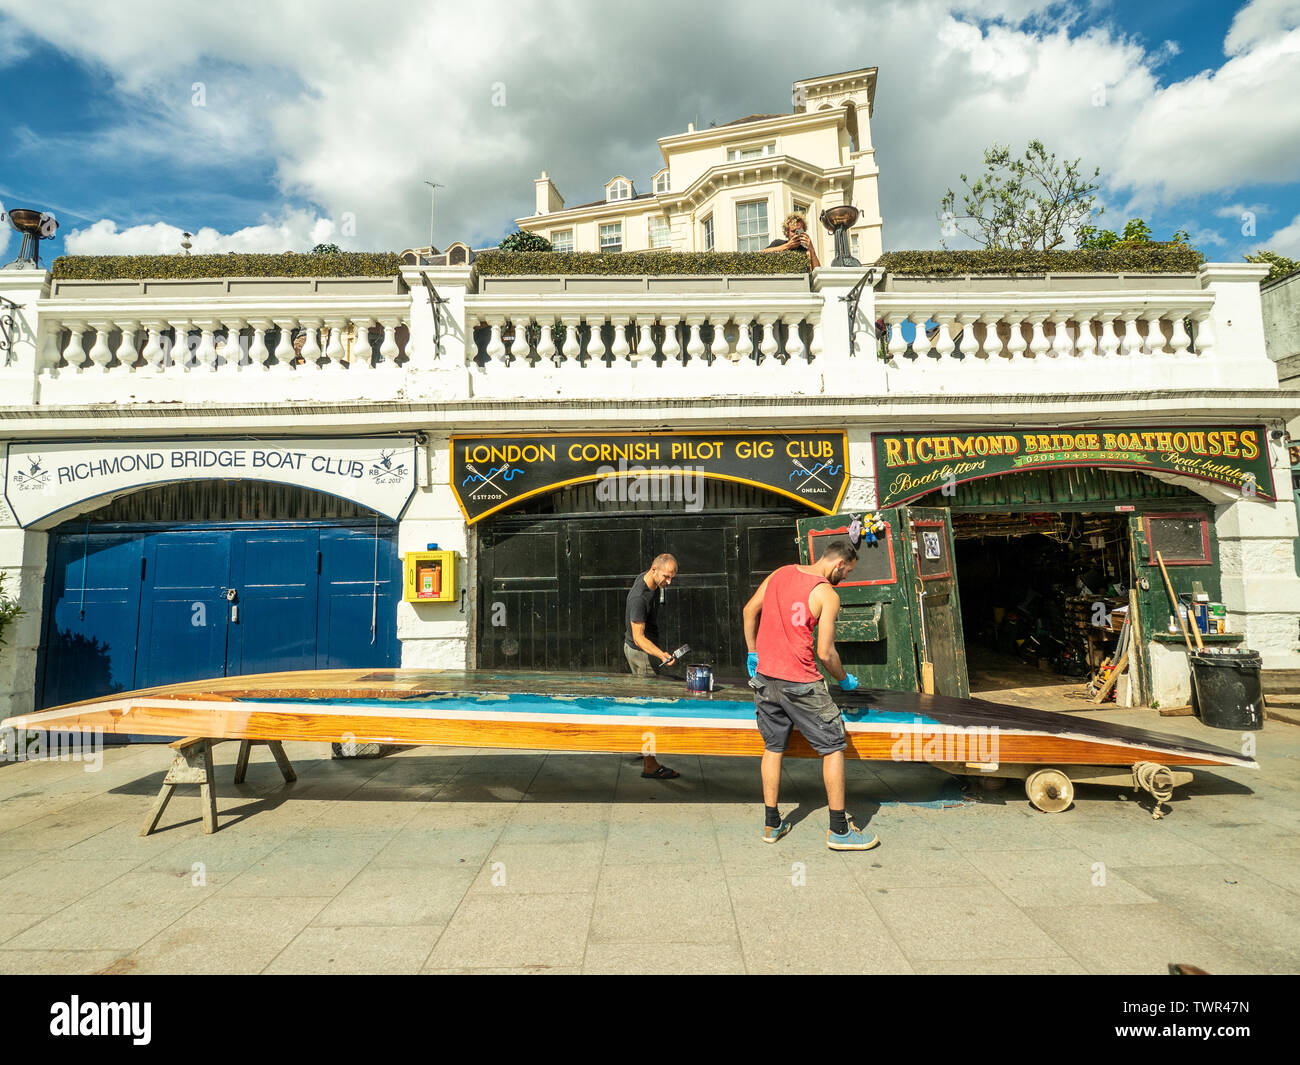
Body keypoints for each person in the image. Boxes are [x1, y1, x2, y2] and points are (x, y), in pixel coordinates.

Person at [741, 541, 877, 850]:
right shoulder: (827, 594)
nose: (846, 577)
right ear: (839, 564)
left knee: (773, 747)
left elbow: (749, 610)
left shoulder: (779, 573)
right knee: (832, 747)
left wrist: (753, 653)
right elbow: (825, 653)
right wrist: (845, 680)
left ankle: (771, 825)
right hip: (801, 683)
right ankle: (840, 831)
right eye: (848, 572)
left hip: (765, 679)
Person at [624, 552, 680, 780]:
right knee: (649, 708)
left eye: (672, 577)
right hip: (641, 654)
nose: (669, 582)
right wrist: (662, 655)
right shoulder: (640, 598)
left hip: (641, 650)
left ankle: (641, 746)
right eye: (666, 577)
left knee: (642, 701)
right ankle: (650, 764)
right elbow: (639, 638)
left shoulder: (648, 579)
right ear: (654, 569)